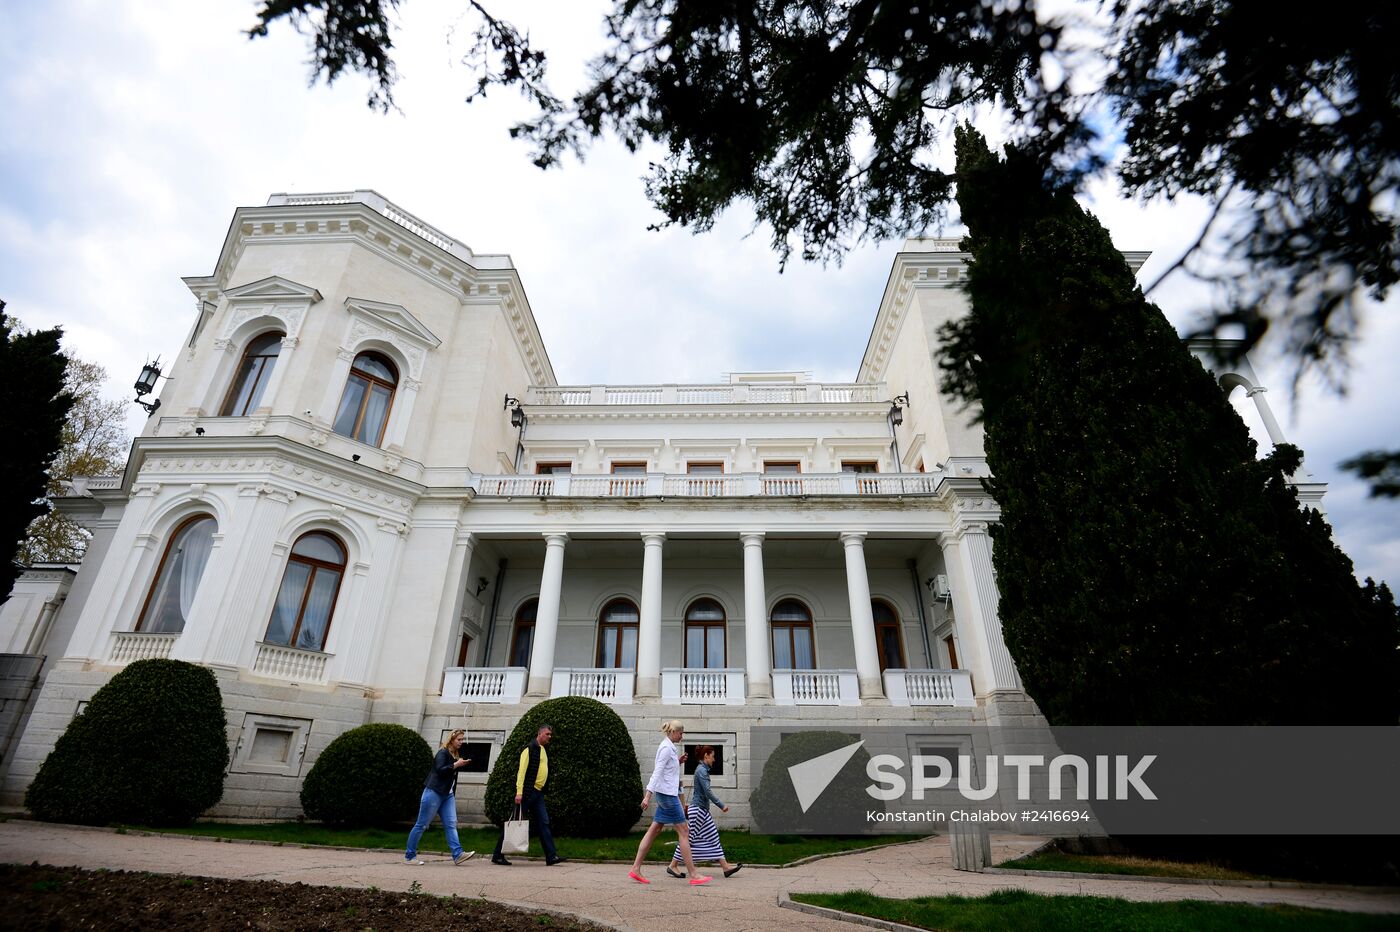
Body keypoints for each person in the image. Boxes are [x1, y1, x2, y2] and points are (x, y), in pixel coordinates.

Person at [629, 720, 710, 885]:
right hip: (667, 796)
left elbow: (666, 770)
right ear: (673, 732)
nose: (682, 736)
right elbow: (657, 772)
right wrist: (647, 796)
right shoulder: (666, 748)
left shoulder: (669, 748)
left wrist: (678, 761)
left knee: (654, 829)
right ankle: (694, 874)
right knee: (684, 831)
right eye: (681, 733)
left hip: (666, 794)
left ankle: (635, 869)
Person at [493, 723, 565, 866]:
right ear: (539, 734)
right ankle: (497, 855)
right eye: (547, 734)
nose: (549, 737)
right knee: (514, 822)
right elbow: (521, 772)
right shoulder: (529, 749)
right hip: (527, 793)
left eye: (550, 735)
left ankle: (551, 856)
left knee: (544, 823)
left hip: (538, 793)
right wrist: (519, 792)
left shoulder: (543, 750)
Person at [666, 745, 742, 879]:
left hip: (703, 811)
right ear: (706, 755)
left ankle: (725, 867)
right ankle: (673, 865)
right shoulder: (702, 771)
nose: (714, 760)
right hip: (699, 811)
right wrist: (721, 805)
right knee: (687, 839)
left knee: (714, 837)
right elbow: (707, 791)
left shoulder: (702, 770)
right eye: (713, 756)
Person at [404, 728, 476, 865]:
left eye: (462, 739)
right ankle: (409, 856)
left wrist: (459, 764)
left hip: (447, 795)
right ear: (451, 740)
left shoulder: (453, 754)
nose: (461, 742)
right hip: (434, 792)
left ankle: (458, 854)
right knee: (422, 824)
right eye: (459, 739)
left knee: (451, 824)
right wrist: (456, 765)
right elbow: (440, 770)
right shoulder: (442, 753)